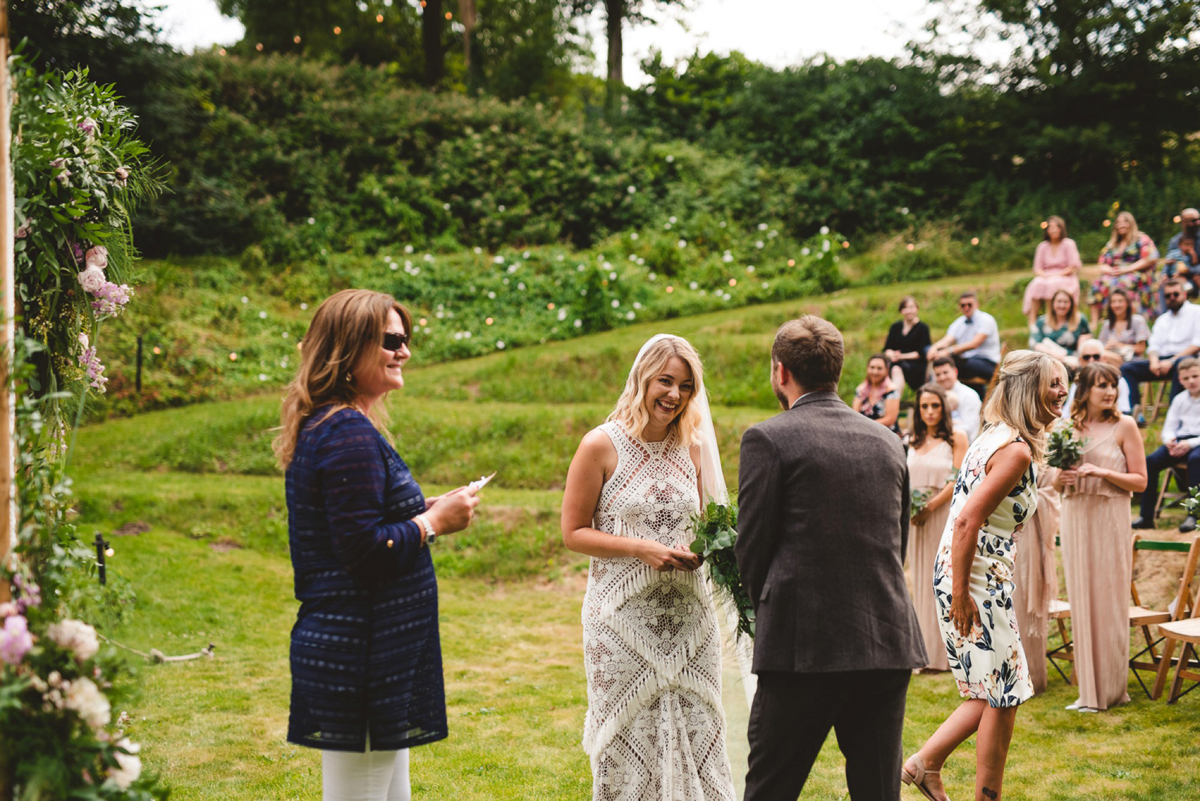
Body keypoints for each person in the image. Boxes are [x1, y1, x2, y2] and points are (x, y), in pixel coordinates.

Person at [275, 289, 481, 801]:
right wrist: (433, 523)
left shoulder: (339, 425)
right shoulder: (346, 431)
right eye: (390, 340)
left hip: (373, 650)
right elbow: (363, 550)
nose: (404, 351)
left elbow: (356, 519)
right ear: (348, 349)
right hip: (362, 652)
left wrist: (425, 508)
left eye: (405, 339)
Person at [736, 316, 925, 801]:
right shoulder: (888, 441)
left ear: (780, 371)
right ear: (839, 371)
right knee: (877, 792)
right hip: (884, 641)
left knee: (771, 788)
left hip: (803, 646)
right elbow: (895, 543)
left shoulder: (768, 438)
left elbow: (752, 549)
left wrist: (768, 609)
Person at [561, 334, 736, 801]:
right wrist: (641, 549)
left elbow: (707, 521)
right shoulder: (600, 445)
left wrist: (702, 549)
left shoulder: (695, 448)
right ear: (642, 379)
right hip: (620, 623)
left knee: (698, 729)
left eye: (684, 385)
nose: (674, 394)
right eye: (665, 380)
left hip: (689, 622)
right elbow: (574, 531)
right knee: (628, 733)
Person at [904, 351, 1069, 801]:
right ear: (1026, 389)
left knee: (994, 687)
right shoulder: (1014, 451)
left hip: (976, 574)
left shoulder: (991, 437)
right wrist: (960, 595)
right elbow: (966, 522)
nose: (1062, 391)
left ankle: (925, 764)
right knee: (1004, 693)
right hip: (974, 579)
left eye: (1064, 382)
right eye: (1053, 383)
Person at [1054, 363, 1147, 713]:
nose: (1109, 392)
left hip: (1110, 517)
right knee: (1081, 597)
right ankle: (1087, 691)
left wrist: (1102, 471)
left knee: (1108, 598)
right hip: (1076, 516)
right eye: (1102, 386)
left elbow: (1140, 481)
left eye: (1114, 385)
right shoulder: (1065, 428)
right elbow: (1050, 480)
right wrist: (1059, 478)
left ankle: (1109, 690)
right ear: (1085, 390)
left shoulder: (1125, 426)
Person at [907, 383, 968, 673]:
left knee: (941, 583)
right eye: (924, 406)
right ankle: (922, 652)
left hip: (941, 515)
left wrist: (929, 507)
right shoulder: (912, 440)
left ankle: (945, 656)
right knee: (919, 582)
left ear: (943, 408)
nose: (930, 411)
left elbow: (957, 480)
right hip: (915, 519)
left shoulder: (956, 437)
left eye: (935, 406)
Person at [1134, 357, 1200, 534]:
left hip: (1197, 443)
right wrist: (1170, 441)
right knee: (1151, 461)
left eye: (1195, 376)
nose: (1191, 381)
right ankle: (1146, 516)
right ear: (1180, 380)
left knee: (1196, 460)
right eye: (1186, 378)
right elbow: (1169, 427)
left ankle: (1193, 515)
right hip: (1180, 441)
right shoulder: (1179, 399)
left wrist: (1189, 443)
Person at [1120, 277, 1200, 422]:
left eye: (1176, 294)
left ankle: (1174, 413)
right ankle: (1135, 413)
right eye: (1168, 296)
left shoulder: (1196, 312)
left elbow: (1197, 344)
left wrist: (1172, 361)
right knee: (1127, 368)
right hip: (1161, 362)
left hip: (1186, 360)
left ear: (1184, 294)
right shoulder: (1162, 319)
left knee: (1183, 363)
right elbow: (1154, 345)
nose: (1172, 298)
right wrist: (1153, 361)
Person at [1012, 465, 1061, 696]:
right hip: (1004, 534)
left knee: (1025, 601)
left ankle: (1032, 675)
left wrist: (1018, 494)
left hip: (1032, 537)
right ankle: (1008, 675)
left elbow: (1052, 496)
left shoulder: (1048, 464)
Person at [1088, 210, 1159, 326]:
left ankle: (1126, 319)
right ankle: (1095, 321)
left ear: (1131, 223)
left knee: (1121, 283)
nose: (1121, 224)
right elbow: (1101, 263)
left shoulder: (1141, 239)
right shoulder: (1112, 243)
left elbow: (1150, 258)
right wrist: (1110, 271)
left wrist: (1127, 269)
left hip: (1136, 273)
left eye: (1125, 221)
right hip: (1115, 274)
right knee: (1097, 284)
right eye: (1118, 222)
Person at [928, 291, 1002, 397]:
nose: (966, 307)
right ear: (959, 307)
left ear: (977, 304)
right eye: (963, 305)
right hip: (968, 364)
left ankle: (942, 392)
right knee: (946, 361)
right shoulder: (958, 323)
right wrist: (934, 348)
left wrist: (948, 351)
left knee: (952, 361)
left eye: (969, 305)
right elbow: (947, 340)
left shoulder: (986, 320)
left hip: (987, 364)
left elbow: (974, 344)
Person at [1023, 215, 1082, 328]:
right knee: (1036, 284)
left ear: (1061, 229)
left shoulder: (1068, 243)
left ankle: (1050, 318)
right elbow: (1037, 268)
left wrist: (1057, 274)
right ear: (1047, 230)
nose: (1054, 230)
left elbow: (1073, 266)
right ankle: (1032, 321)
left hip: (1065, 275)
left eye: (1057, 227)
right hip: (1046, 275)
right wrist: (1044, 275)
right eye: (1051, 227)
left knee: (1052, 284)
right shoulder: (1042, 246)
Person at [1062, 340, 1132, 415]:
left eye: (1096, 356)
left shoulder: (1117, 380)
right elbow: (1067, 413)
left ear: (1104, 359)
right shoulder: (1078, 383)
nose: (1091, 360)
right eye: (1086, 357)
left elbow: (1124, 411)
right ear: (1080, 361)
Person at [1030, 289, 1090, 368]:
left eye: (1066, 302)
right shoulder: (1041, 321)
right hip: (1049, 357)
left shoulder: (1080, 319)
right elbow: (1035, 343)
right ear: (1053, 303)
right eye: (1059, 302)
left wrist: (1083, 340)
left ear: (1071, 304)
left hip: (1072, 358)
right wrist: (1057, 356)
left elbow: (1088, 337)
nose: (1062, 305)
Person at [884, 296, 933, 393]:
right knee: (893, 368)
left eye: (911, 307)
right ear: (901, 311)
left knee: (897, 369)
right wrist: (892, 355)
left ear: (917, 309)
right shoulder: (895, 327)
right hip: (897, 362)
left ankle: (894, 399)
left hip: (916, 365)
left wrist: (901, 356)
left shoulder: (923, 328)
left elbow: (921, 353)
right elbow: (887, 348)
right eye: (905, 308)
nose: (908, 311)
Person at [932, 356, 982, 442]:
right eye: (938, 375)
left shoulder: (969, 395)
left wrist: (940, 432)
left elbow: (970, 430)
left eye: (945, 372)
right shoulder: (934, 396)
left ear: (955, 371)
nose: (942, 378)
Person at [1096, 289, 1150, 366]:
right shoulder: (1107, 325)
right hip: (1109, 360)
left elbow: (1141, 349)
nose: (1117, 305)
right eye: (1113, 302)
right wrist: (1107, 347)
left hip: (1132, 361)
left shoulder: (1138, 320)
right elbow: (1100, 348)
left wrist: (1119, 345)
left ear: (1127, 303)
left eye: (1120, 301)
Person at [853, 353, 902, 434]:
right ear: (867, 368)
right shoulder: (861, 390)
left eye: (879, 368)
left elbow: (890, 419)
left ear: (886, 370)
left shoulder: (891, 391)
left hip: (887, 434)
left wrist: (865, 426)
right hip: (863, 433)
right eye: (872, 367)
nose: (875, 372)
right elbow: (855, 414)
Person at [1162, 208, 1200, 296]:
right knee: (1163, 285)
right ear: (1183, 223)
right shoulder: (1175, 241)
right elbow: (1169, 262)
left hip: (1197, 275)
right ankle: (1166, 310)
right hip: (1179, 276)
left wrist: (1189, 270)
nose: (1198, 223)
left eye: (1199, 219)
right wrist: (1164, 274)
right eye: (1194, 220)